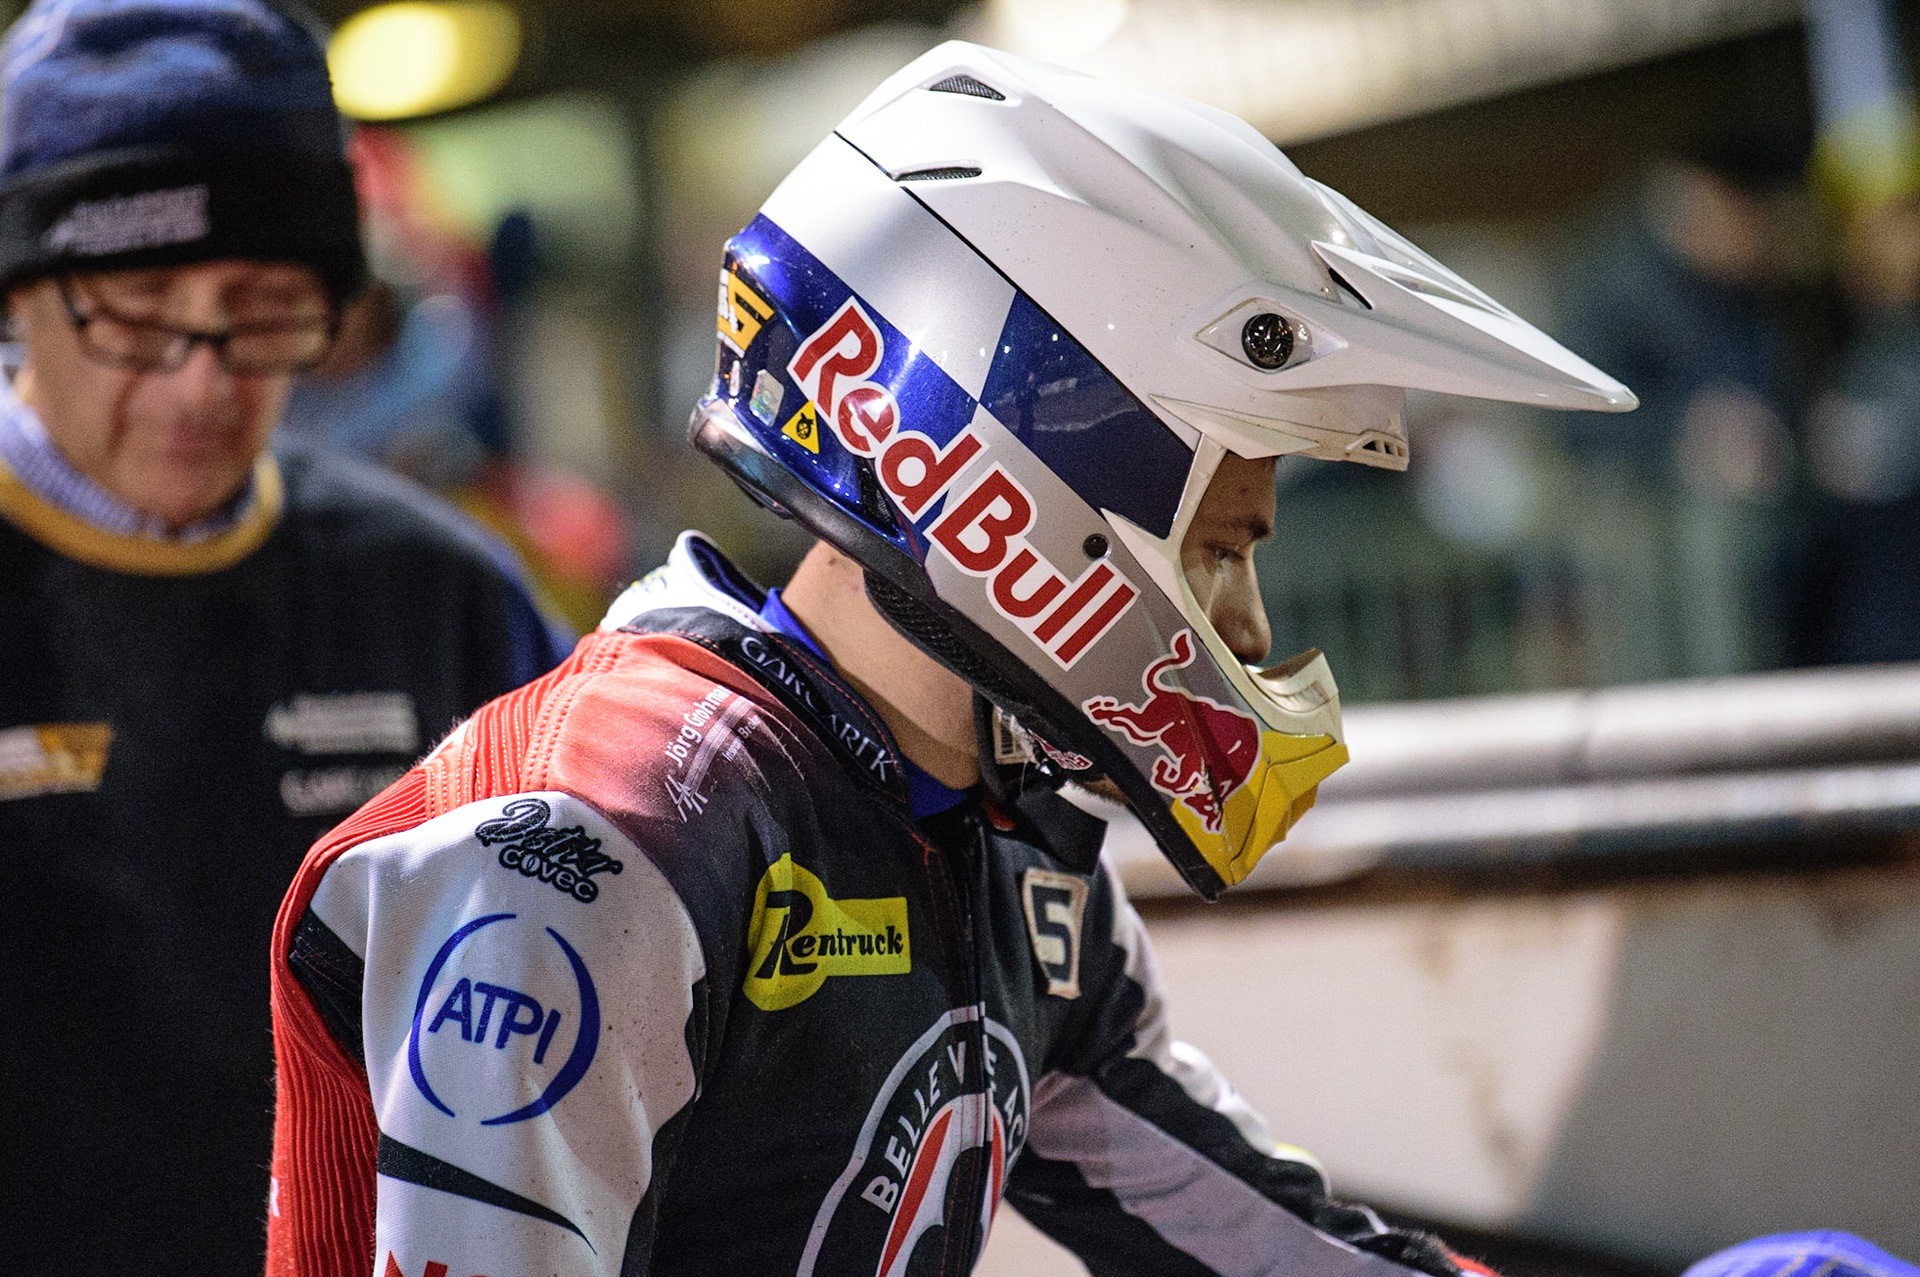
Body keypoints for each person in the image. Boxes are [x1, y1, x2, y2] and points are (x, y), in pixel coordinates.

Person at [267, 42, 1632, 1277]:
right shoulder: (606, 834)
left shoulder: (1012, 841)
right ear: (1016, 484)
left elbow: (1266, 1242)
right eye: (1218, 551)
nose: (1250, 630)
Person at [0, 2, 570, 1273]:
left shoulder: (442, 592)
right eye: (140, 308)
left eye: (263, 309)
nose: (205, 380)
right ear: (22, 296)